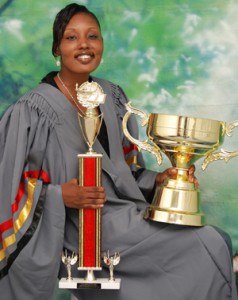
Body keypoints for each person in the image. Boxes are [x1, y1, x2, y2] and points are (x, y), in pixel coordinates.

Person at [0, 3, 237, 300]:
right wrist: (62, 196)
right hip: (81, 233)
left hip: (127, 216)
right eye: (72, 37)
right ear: (56, 48)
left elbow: (125, 173)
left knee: (217, 239)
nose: (84, 44)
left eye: (93, 36)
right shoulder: (31, 111)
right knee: (204, 246)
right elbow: (8, 190)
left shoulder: (112, 98)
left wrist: (158, 180)